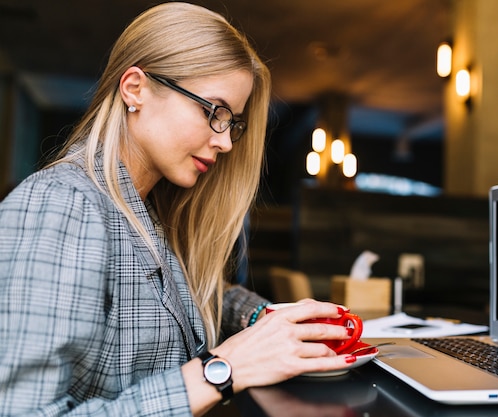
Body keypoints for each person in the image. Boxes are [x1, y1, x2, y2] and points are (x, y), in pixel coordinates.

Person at [0, 3, 357, 416]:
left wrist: (266, 318)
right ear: (135, 88)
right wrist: (222, 370)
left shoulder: (145, 209)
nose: (226, 142)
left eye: (233, 123)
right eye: (214, 111)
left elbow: (192, 291)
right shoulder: (63, 205)